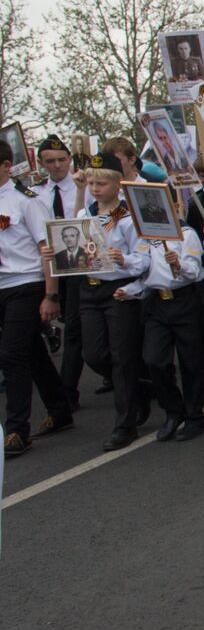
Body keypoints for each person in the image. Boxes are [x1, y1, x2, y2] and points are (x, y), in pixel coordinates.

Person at [75, 151, 152, 451]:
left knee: (122, 357)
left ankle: (125, 424)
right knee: (93, 355)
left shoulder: (128, 217)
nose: (95, 188)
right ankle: (138, 389)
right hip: (90, 290)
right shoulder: (86, 215)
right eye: (92, 183)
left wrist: (124, 260)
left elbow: (143, 260)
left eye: (102, 184)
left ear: (117, 185)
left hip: (119, 289)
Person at [0, 139, 69, 457]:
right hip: (2, 287)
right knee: (31, 351)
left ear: (5, 166)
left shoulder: (25, 201)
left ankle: (16, 430)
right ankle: (60, 408)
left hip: (26, 284)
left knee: (11, 356)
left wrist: (50, 294)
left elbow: (48, 250)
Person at [123, 190, 204, 442]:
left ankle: (195, 416)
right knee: (154, 360)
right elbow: (141, 266)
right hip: (157, 303)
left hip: (184, 300)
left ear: (173, 205)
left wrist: (178, 263)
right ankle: (174, 410)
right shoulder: (145, 235)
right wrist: (122, 263)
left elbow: (195, 270)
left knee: (192, 362)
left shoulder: (187, 233)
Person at [35, 136, 84, 412]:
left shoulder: (85, 186)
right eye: (50, 161)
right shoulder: (37, 194)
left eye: (61, 159)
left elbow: (103, 216)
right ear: (42, 164)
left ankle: (68, 389)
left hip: (80, 264)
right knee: (67, 323)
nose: (57, 166)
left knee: (75, 330)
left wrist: (80, 190)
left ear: (69, 159)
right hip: (52, 266)